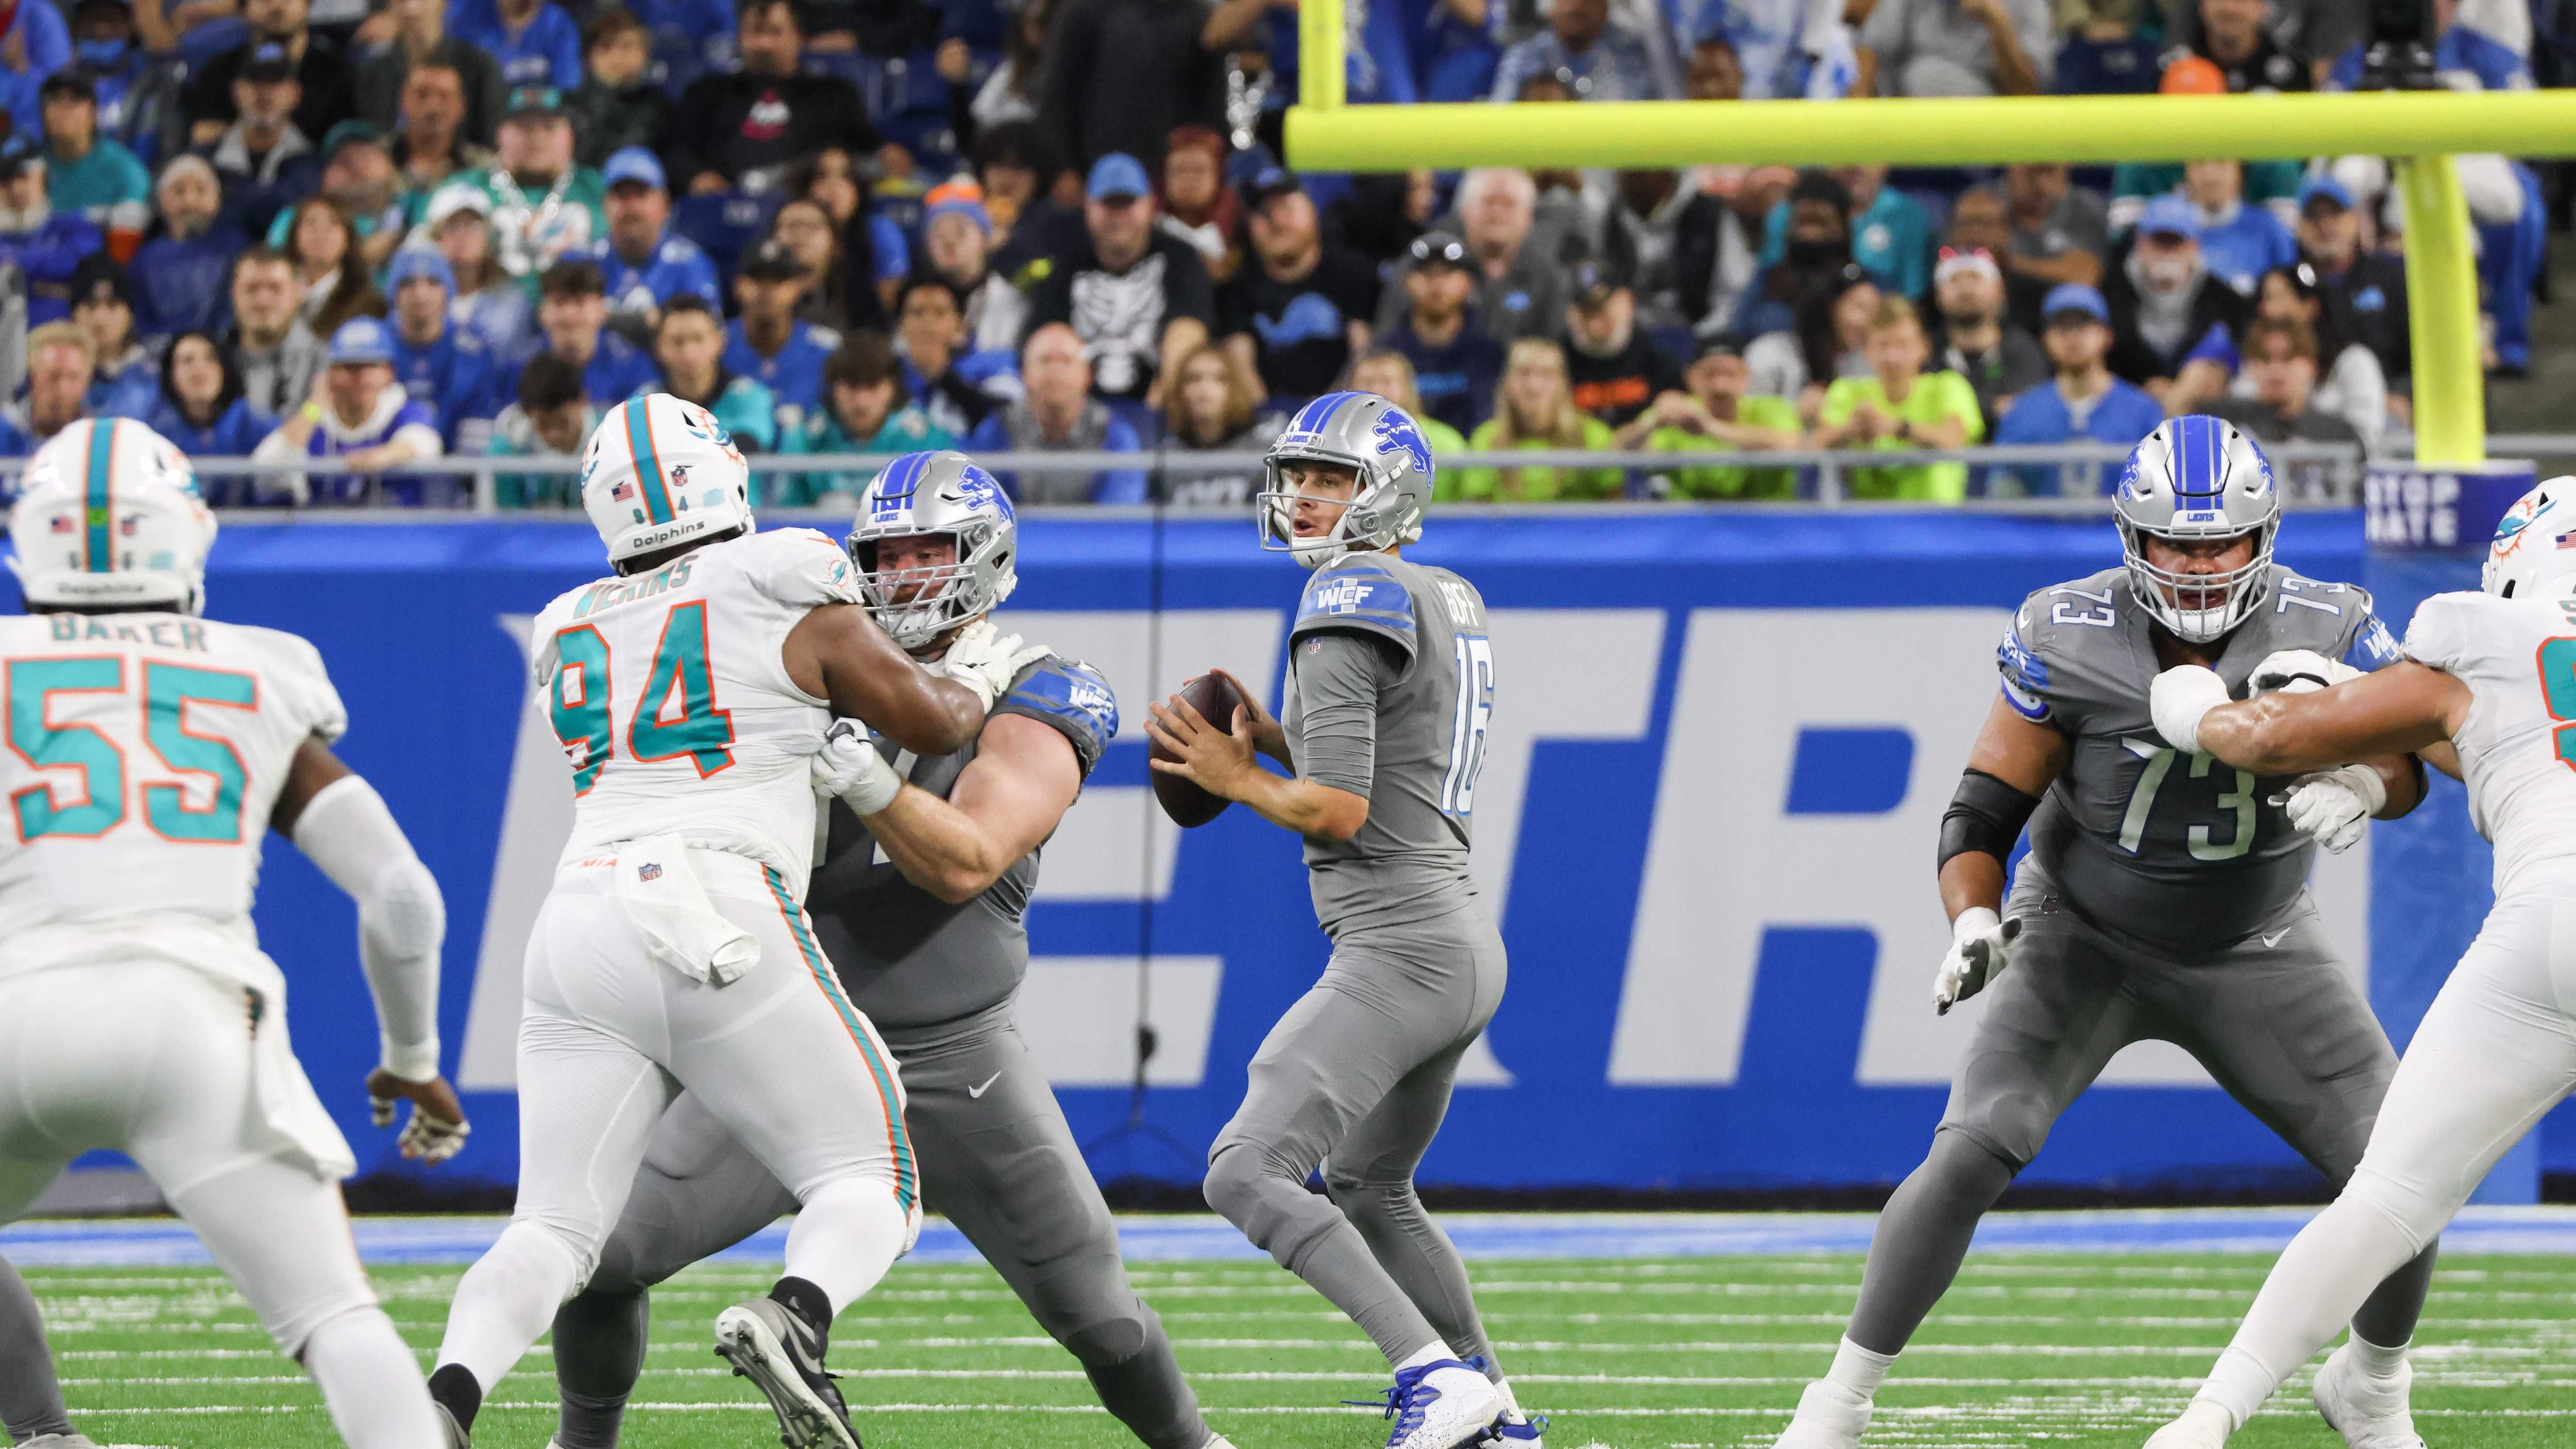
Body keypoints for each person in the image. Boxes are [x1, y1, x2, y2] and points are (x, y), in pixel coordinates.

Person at [544, 449, 1239, 1449]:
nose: (906, 574)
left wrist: (867, 781)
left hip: (957, 1054)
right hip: (786, 1034)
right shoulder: (805, 661)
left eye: (930, 551)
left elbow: (967, 860)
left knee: (1100, 1313)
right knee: (601, 1252)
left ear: (983, 556)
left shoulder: (1041, 686)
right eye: (888, 554)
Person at [1769, 415, 2431, 1449]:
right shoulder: (2067, 629)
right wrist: (1973, 915)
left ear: (2263, 537)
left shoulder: (2328, 620)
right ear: (2133, 538)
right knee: (1974, 1148)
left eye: (2220, 542)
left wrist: (2363, 779)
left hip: (2256, 939)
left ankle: (2373, 1388)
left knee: (2404, 1166)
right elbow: (1983, 808)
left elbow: (2412, 756)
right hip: (2083, 931)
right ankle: (1838, 1400)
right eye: (2176, 543)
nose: (2199, 565)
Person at [420, 393, 1017, 1449]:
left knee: (551, 1227)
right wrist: (973, 676)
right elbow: (928, 720)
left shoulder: (566, 622)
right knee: (872, 1178)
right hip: (718, 903)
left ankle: (439, 1405)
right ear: (721, 472)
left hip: (578, 918)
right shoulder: (781, 568)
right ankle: (796, 1313)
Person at [0, 417, 464, 1449]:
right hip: (196, 1017)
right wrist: (413, 1055)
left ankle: (42, 1432)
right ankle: (45, 1432)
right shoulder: (257, 668)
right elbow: (402, 895)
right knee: (339, 1320)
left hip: (14, 1007)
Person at [2136, 473, 2576, 1449]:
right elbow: (2496, 747)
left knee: (2390, 1197)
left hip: (2552, 919)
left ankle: (2207, 1419)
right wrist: (2361, 741)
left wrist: (2201, 710)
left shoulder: (2487, 635)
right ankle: (2354, 1392)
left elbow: (2275, 737)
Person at [1147, 391, 1539, 1449]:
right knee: (1370, 1183)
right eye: (1298, 477)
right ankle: (1499, 1415)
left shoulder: (1350, 590)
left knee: (1242, 1167)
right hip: (1459, 937)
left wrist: (1235, 775)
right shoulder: (1443, 589)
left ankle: (1433, 1376)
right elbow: (1385, 753)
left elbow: (1338, 809)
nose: (1305, 497)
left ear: (1388, 490)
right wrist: (1277, 739)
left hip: (1400, 943)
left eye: (1333, 478)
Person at [1026, 153, 1216, 413]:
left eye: (1127, 203)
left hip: (1163, 405)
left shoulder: (1181, 257)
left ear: (1150, 205)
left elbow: (1189, 327)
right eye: (1108, 204)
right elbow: (1048, 336)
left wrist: (1166, 392)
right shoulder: (1065, 264)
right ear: (1088, 207)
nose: (1117, 215)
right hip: (1079, 411)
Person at [666, 0, 883, 196]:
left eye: (774, 32)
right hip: (725, 204)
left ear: (799, 37)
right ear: (739, 37)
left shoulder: (835, 95)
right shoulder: (706, 93)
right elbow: (678, 152)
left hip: (808, 205)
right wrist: (697, 177)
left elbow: (866, 153)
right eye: (756, 32)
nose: (764, 44)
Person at [1219, 165, 1380, 413]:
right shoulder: (1237, 291)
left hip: (1344, 411)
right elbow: (1240, 365)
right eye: (1263, 214)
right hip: (1269, 421)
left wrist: (1326, 415)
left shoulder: (1354, 275)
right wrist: (1271, 419)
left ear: (1312, 211)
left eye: (1286, 208)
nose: (1277, 223)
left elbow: (1363, 355)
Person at [1990, 282, 2165, 497]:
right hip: (2041, 520)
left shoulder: (2142, 411)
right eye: (2062, 326)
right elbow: (2004, 497)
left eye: (2083, 325)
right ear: (2045, 339)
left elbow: (2160, 493)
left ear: (2107, 336)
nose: (2073, 336)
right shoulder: (2023, 412)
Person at [253, 316, 449, 506]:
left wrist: (382, 457)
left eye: (371, 366)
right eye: (350, 367)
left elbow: (424, 442)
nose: (361, 377)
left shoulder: (404, 411)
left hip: (393, 525)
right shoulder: (313, 419)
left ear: (390, 373)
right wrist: (314, 408)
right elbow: (267, 468)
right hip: (326, 525)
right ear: (331, 374)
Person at [1811, 295, 1982, 502]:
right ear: (1866, 351)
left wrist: (1898, 428)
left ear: (1924, 347)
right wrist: (1850, 429)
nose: (1892, 357)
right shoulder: (1847, 390)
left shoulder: (1949, 385)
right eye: (1883, 345)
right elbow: (1813, 446)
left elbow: (1953, 438)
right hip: (1866, 517)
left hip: (1937, 516)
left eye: (1903, 345)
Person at [1376, 168, 1567, 346]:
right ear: (1465, 211)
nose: (1497, 214)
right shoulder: (1420, 263)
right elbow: (1388, 338)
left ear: (1529, 217)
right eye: (1488, 202)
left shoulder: (1546, 275)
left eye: (1509, 204)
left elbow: (1553, 347)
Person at [965, 323, 1147, 503]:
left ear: (1087, 374)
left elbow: (1120, 513)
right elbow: (981, 506)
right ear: (1024, 372)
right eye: (1045, 360)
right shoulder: (996, 431)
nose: (1055, 371)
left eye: (1066, 361)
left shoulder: (1117, 437)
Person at [1037, 0, 1225, 171]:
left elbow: (1211, 108)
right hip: (1094, 171)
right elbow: (1057, 96)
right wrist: (1062, 168)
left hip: (1171, 175)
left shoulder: (1198, 16)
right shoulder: (1085, 11)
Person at [1616, 334, 1802, 499]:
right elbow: (1618, 449)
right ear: (1690, 378)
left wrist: (1711, 428)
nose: (1720, 386)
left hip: (1768, 521)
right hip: (1689, 523)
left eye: (1730, 374)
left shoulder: (1771, 408)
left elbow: (1795, 445)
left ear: (1746, 377)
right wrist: (1653, 423)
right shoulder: (1678, 413)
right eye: (1710, 375)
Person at [449, 87, 605, 282]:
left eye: (549, 127)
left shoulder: (597, 189)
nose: (537, 138)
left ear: (569, 135)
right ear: (500, 134)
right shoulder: (463, 190)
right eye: (525, 127)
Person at [778, 332, 954, 504]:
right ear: (832, 388)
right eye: (851, 387)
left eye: (872, 386)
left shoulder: (927, 442)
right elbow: (789, 511)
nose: (861, 402)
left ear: (894, 389)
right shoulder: (809, 439)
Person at [2103, 194, 2245, 407]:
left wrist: (2183, 391)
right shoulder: (2108, 294)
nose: (2167, 252)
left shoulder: (2226, 301)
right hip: (2122, 404)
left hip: (2202, 408)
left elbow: (2235, 361)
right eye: (2159, 242)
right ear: (2140, 242)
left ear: (2194, 245)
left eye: (2176, 242)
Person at [2209, 315, 2365, 497]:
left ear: (2312, 365)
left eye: (2288, 358)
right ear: (2250, 366)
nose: (2276, 372)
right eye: (2265, 359)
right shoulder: (2224, 429)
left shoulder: (2340, 434)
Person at [1453, 337, 1622, 502]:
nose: (1533, 387)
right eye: (1524, 374)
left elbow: (1618, 510)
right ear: (1507, 384)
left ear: (1563, 384)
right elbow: (1476, 513)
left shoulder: (1594, 436)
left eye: (1546, 374)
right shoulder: (1487, 438)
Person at [2238, 262, 2386, 448]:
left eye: (2277, 297)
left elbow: (2366, 439)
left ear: (2310, 306)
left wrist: (2296, 418)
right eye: (2265, 298)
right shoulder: (2258, 356)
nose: (2267, 308)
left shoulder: (2353, 360)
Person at [1378, 231, 1506, 438]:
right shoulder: (1385, 353)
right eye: (1426, 273)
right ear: (1407, 282)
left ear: (1467, 283)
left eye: (1447, 273)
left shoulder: (1490, 354)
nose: (1436, 284)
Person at [585, 146, 721, 339]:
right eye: (622, 195)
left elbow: (706, 331)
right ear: (605, 205)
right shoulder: (585, 259)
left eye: (641, 194)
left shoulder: (689, 263)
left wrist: (610, 317)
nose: (632, 207)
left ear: (665, 204)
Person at [182, 0, 356, 149]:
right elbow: (203, 137)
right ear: (245, 10)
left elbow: (345, 145)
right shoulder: (219, 71)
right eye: (265, 0)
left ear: (307, 5)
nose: (277, 6)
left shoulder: (336, 73)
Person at [2292, 174, 2408, 398]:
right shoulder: (2290, 285)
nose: (2325, 225)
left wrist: (2404, 396)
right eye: (2313, 216)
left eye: (2335, 214)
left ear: (2356, 220)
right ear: (2299, 227)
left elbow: (2418, 349)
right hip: (2312, 401)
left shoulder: (2390, 276)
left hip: (2389, 396)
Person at [195, 43, 321, 240]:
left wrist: (229, 195)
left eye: (276, 81)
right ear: (236, 91)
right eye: (255, 80)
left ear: (296, 94)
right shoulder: (203, 158)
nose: (265, 92)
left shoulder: (313, 160)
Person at [1760, 164, 1933, 304]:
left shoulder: (1907, 214)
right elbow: (1769, 282)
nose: (1853, 166)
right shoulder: (1785, 214)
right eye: (1843, 151)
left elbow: (1912, 297)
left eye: (1866, 154)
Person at [502, 259, 659, 411]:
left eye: (580, 302)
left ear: (602, 311)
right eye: (559, 303)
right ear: (542, 312)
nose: (570, 315)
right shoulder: (518, 368)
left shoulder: (633, 367)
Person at [385, 247, 498, 453]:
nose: (420, 294)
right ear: (394, 293)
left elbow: (475, 447)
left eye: (433, 282)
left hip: (454, 466)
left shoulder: (474, 353)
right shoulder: (375, 348)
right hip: (382, 463)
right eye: (408, 283)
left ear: (448, 291)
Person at [1928, 247, 2046, 439]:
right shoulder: (1926, 353)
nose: (1965, 288)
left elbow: (2026, 412)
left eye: (1976, 277)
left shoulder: (2026, 351)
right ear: (1937, 295)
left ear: (2000, 290)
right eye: (1954, 279)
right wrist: (1993, 407)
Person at [354, 0, 506, 148]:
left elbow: (491, 140)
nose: (412, 10)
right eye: (401, 2)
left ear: (443, 3)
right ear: (389, 7)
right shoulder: (373, 72)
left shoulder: (479, 66)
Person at [727, 240, 840, 438]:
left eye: (778, 280)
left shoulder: (827, 349)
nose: (767, 290)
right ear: (738, 286)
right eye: (757, 279)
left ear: (797, 287)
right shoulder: (714, 344)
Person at [132, 156, 246, 342]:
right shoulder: (144, 259)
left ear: (217, 199)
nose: (190, 201)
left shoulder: (237, 249)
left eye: (201, 190)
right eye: (179, 191)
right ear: (161, 200)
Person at [894, 273, 1018, 439]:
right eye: (917, 313)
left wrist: (943, 375)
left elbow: (1007, 416)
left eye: (940, 313)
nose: (927, 323)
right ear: (901, 325)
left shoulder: (994, 364)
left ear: (961, 325)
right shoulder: (888, 374)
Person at [650, 294, 780, 452]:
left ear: (719, 340)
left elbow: (749, 444)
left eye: (698, 339)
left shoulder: (750, 397)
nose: (689, 353)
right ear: (658, 346)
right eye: (677, 341)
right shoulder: (645, 405)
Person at [0, 136, 106, 326]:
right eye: (5, 183)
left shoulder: (74, 227)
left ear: (43, 180)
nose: (16, 190)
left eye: (23, 178)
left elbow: (85, 264)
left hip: (65, 331)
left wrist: (15, 262)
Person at [1560, 261, 1681, 428]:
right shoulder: (1559, 359)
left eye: (1601, 309)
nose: (1594, 323)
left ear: (1626, 301)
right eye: (1586, 311)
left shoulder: (1657, 353)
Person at [40, 71, 149, 246]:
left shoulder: (122, 167)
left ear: (93, 113)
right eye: (55, 99)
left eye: (75, 100)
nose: (63, 109)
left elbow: (135, 220)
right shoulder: (32, 167)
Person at [1854, 0, 2054, 95]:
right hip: (1902, 133)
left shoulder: (2028, 5)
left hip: (1984, 137)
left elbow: (2028, 94)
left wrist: (1997, 24)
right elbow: (1867, 53)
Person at [1161, 342, 1277, 506]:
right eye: (1194, 379)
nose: (1204, 389)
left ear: (1236, 388)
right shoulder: (1166, 455)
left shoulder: (1263, 451)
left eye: (1219, 379)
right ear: (1180, 391)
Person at [422, 184, 533, 355]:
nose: (463, 236)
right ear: (435, 238)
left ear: (488, 238)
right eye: (453, 227)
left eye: (474, 226)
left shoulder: (511, 301)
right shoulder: (417, 297)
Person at [920, 184, 1026, 360]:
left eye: (960, 232)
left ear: (984, 239)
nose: (949, 243)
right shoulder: (915, 300)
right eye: (939, 235)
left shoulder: (1010, 299)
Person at [151, 328, 283, 468]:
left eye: (211, 358)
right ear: (171, 374)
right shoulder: (156, 434)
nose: (199, 368)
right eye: (188, 360)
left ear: (225, 369)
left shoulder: (258, 428)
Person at [222, 245, 329, 415]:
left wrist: (310, 417)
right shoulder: (212, 358)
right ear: (234, 293)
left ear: (299, 292)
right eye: (251, 288)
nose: (263, 301)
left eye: (275, 288)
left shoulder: (327, 363)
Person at [1490, 0, 1668, 100]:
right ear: (1548, 8)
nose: (1575, 5)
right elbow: (1499, 118)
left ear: (1605, 7)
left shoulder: (1629, 55)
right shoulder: (1526, 57)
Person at [483, 350, 595, 507]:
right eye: (543, 424)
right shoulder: (507, 451)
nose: (553, 435)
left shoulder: (610, 443)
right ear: (527, 414)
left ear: (583, 401)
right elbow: (508, 517)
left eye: (562, 423)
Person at [2178, 159, 2296, 297]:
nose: (2211, 176)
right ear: (2187, 171)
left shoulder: (2268, 228)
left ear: (2239, 172)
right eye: (2200, 163)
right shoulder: (2170, 227)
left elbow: (2290, 289)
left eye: (2221, 163)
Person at [566, 9, 666, 172]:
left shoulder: (657, 105)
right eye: (607, 47)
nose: (617, 56)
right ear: (591, 54)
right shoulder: (571, 103)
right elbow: (579, 158)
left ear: (644, 54)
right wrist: (604, 88)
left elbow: (622, 155)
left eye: (626, 46)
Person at [387, 62, 494, 210]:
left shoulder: (484, 168)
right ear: (404, 101)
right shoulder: (378, 159)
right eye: (422, 95)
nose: (433, 107)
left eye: (444, 96)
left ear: (461, 107)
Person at [281, 196, 386, 339]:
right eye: (311, 223)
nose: (321, 233)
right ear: (295, 235)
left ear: (348, 238)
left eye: (334, 223)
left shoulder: (367, 302)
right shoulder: (275, 292)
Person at [70, 257, 157, 419]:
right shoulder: (60, 375)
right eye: (90, 306)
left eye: (112, 306)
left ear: (130, 315)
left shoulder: (155, 373)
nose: (100, 318)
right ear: (74, 314)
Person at [1156, 124, 1240, 284]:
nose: (1189, 179)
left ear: (1218, 177)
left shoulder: (1240, 232)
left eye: (1199, 170)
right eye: (1180, 170)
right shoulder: (1148, 234)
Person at [1346, 349, 1469, 459]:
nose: (1376, 390)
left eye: (1386, 382)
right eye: (1367, 382)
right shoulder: (1340, 438)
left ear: (1408, 388)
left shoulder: (1445, 442)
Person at [0, 324, 100, 456]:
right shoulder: (4, 429)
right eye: (54, 376)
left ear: (86, 382)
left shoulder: (99, 440)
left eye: (73, 377)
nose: (62, 389)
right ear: (33, 378)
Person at [448, 0, 584, 92]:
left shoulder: (559, 25)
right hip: (485, 112)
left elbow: (567, 91)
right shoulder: (467, 16)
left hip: (540, 114)